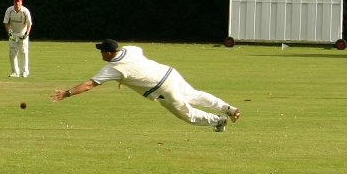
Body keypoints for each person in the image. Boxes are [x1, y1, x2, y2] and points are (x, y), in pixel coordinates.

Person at [52, 39, 241, 132]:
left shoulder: (113, 67)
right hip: (169, 73)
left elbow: (88, 85)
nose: (100, 54)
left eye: (102, 51)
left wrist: (66, 93)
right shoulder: (130, 49)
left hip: (162, 89)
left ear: (110, 53)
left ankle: (219, 121)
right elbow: (136, 61)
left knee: (187, 114)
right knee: (195, 95)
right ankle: (229, 109)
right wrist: (124, 79)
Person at [3, 0, 32, 77]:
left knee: (24, 52)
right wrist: (9, 32)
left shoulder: (25, 11)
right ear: (13, 2)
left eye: (18, 1)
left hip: (23, 33)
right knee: (12, 53)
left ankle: (25, 71)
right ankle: (15, 72)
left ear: (21, 2)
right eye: (16, 1)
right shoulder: (9, 10)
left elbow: (29, 24)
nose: (17, 3)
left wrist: (27, 34)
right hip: (13, 34)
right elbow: (6, 22)